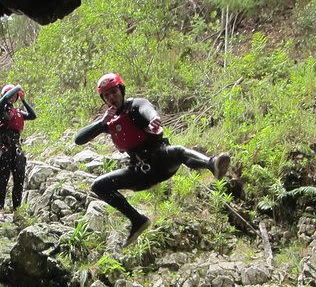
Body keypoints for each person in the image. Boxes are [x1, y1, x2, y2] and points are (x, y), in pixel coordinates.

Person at [74, 73, 231, 246]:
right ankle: (137, 220)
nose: (112, 97)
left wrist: (154, 118)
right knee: (98, 185)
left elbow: (148, 110)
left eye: (114, 92)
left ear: (121, 90)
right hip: (140, 172)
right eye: (107, 95)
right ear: (104, 99)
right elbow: (79, 139)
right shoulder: (108, 121)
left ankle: (212, 164)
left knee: (178, 151)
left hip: (162, 161)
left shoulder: (136, 105)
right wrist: (101, 122)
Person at [0, 83, 37, 215]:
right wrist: (17, 88)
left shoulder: (17, 112)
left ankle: (16, 211)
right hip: (3, 147)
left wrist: (23, 99)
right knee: (3, 179)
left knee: (19, 180)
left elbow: (33, 115)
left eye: (15, 96)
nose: (12, 98)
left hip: (16, 147)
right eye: (11, 96)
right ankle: (0, 209)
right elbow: (4, 98)